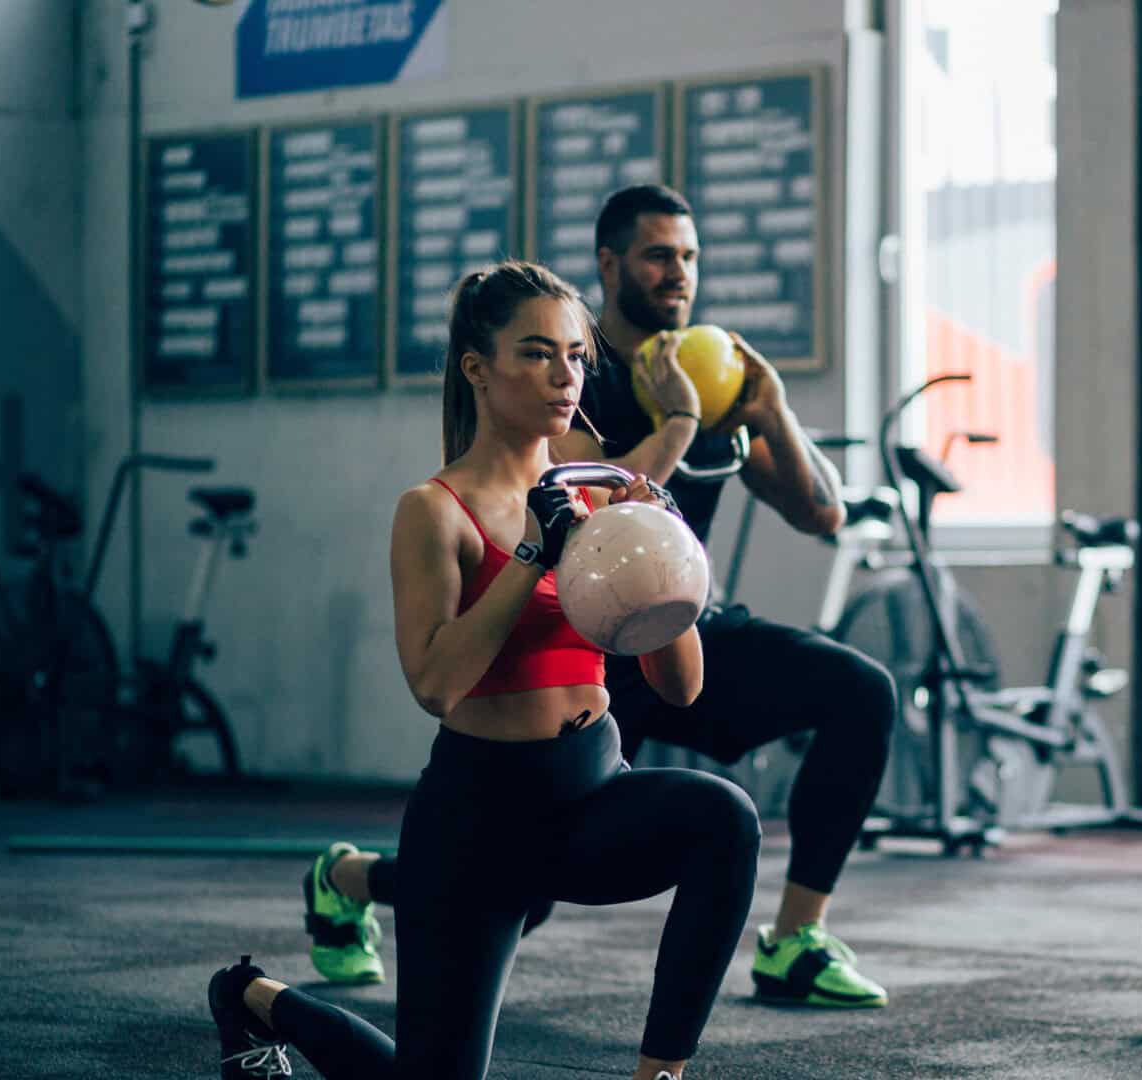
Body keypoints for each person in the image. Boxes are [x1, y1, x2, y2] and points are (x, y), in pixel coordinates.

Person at [306, 185, 895, 1010]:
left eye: (689, 256)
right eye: (659, 255)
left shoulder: (704, 373)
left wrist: (773, 411)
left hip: (667, 623)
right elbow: (590, 496)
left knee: (857, 691)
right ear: (612, 263)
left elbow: (820, 511)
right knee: (525, 885)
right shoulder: (584, 393)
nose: (677, 274)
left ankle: (795, 938)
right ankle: (354, 880)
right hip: (578, 631)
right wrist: (682, 423)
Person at [209, 260, 760, 1080]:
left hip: (589, 790)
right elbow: (434, 681)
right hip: (477, 821)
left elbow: (683, 687)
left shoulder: (604, 495)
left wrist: (666, 553)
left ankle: (662, 1076)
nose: (564, 376)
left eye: (576, 356)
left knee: (725, 819)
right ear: (478, 368)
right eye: (538, 354)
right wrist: (533, 553)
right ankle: (251, 995)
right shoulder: (433, 511)